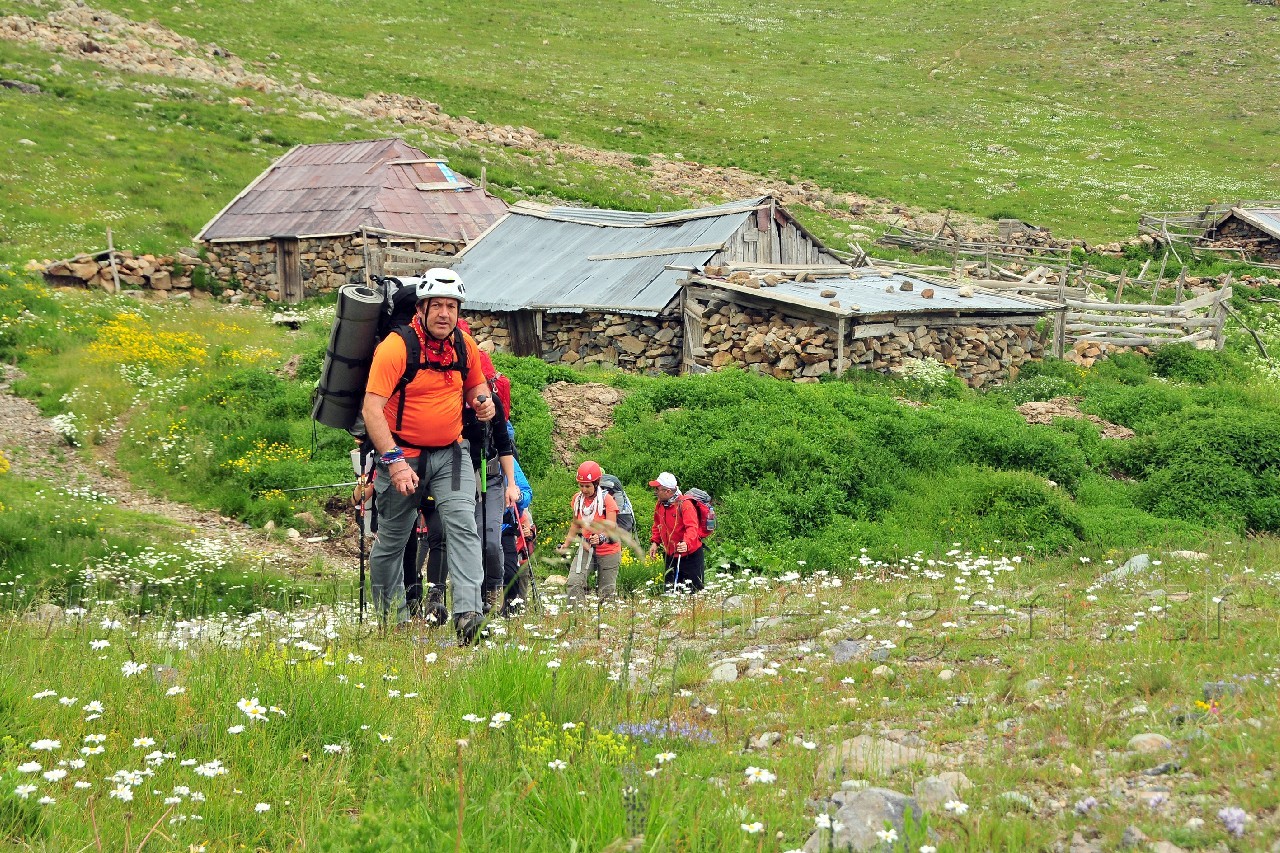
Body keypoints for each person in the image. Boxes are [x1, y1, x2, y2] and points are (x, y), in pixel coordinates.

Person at [360, 268, 500, 643]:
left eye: (451, 306)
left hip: (451, 453)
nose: (444, 313)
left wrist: (482, 404)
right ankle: (393, 620)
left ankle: (468, 615)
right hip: (401, 455)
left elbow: (476, 386)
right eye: (436, 305)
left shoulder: (464, 346)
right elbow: (372, 410)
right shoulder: (395, 347)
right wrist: (394, 462)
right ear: (420, 309)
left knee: (464, 529)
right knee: (392, 538)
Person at [418, 348, 522, 619]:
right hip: (456, 475)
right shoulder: (449, 405)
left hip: (492, 477)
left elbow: (504, 444)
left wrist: (513, 484)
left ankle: (490, 595)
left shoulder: (493, 404)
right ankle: (454, 600)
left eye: (485, 384)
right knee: (453, 536)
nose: (480, 391)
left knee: (489, 540)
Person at [557, 461, 620, 602]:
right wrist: (566, 544)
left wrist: (601, 537)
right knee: (574, 581)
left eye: (588, 486)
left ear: (596, 483)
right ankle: (577, 617)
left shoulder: (607, 501)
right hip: (587, 546)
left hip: (609, 549)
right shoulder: (577, 500)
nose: (584, 490)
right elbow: (576, 524)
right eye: (581, 485)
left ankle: (606, 621)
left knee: (606, 592)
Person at [647, 471, 705, 593]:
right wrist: (655, 542)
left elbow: (692, 528)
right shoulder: (660, 504)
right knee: (670, 592)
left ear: (667, 491)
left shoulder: (685, 505)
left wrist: (686, 543)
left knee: (693, 593)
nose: (655, 491)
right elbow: (658, 524)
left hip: (691, 556)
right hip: (671, 555)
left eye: (658, 489)